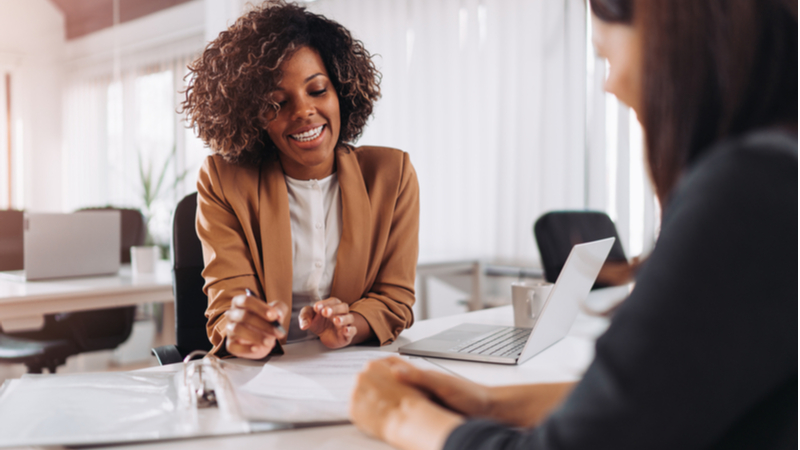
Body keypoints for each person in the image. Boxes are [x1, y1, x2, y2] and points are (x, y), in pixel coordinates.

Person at [350, 0, 797, 448]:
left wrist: (399, 415)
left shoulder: (747, 190)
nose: (610, 84)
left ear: (675, 43)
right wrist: (489, 403)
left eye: (606, 55)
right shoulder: (777, 172)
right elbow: (652, 404)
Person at [181, 1, 419, 359]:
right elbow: (227, 305)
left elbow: (394, 298)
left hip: (351, 369)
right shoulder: (223, 180)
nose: (303, 112)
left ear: (341, 90)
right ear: (253, 117)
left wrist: (351, 326)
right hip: (261, 377)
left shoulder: (391, 175)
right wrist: (243, 329)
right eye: (277, 103)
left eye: (318, 90)